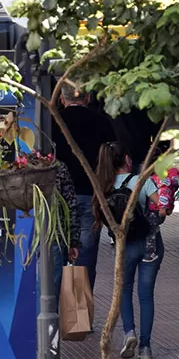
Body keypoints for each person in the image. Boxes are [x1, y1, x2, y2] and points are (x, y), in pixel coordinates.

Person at [98, 142, 164, 359]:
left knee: (124, 290)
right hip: (149, 245)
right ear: (127, 160)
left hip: (124, 246)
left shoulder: (103, 185)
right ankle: (145, 347)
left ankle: (129, 333)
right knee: (146, 295)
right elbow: (162, 207)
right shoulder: (140, 182)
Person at [52, 86, 117, 288]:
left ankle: (54, 311)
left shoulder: (53, 122)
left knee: (56, 256)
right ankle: (81, 310)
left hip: (59, 199)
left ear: (62, 99)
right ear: (88, 97)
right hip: (91, 196)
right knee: (85, 259)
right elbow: (112, 159)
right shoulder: (102, 122)